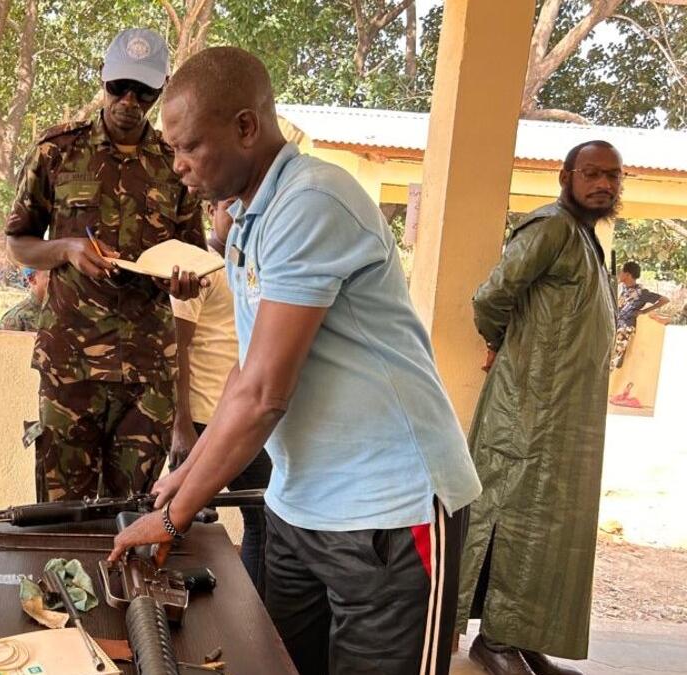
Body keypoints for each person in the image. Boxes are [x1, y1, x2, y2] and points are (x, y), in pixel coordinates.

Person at [109, 47, 481, 675]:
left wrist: (173, 519)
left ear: (245, 127)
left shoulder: (313, 200)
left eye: (189, 147)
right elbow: (244, 373)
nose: (178, 167)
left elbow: (264, 396)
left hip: (389, 515)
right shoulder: (248, 221)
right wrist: (186, 474)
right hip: (299, 505)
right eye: (172, 150)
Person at [6, 28, 205, 502]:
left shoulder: (174, 163)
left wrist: (185, 281)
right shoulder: (57, 151)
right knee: (60, 514)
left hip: (147, 372)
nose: (129, 102)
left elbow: (195, 256)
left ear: (161, 89)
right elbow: (18, 242)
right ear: (103, 77)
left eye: (144, 92)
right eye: (120, 87)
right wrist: (66, 250)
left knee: (131, 511)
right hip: (70, 365)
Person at [456, 141, 622, 675]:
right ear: (565, 176)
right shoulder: (550, 227)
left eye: (612, 176)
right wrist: (500, 343)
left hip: (564, 420)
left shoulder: (585, 237)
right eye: (591, 173)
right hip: (527, 414)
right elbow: (491, 297)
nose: (603, 184)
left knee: (549, 532)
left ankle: (523, 639)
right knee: (516, 523)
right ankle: (495, 642)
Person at [170, 197, 271, 592]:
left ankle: (252, 610)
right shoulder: (195, 269)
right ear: (210, 210)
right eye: (231, 205)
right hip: (202, 419)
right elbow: (177, 348)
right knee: (194, 523)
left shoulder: (244, 265)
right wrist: (181, 426)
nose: (241, 213)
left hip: (238, 415)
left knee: (259, 517)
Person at [611, 261, 668, 369]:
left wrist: (644, 311)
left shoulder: (641, 292)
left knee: (614, 358)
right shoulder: (622, 288)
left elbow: (665, 300)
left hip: (625, 328)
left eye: (621, 272)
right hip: (615, 324)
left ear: (628, 274)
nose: (619, 274)